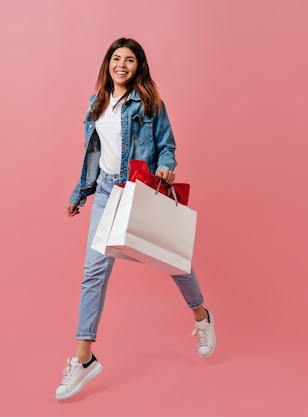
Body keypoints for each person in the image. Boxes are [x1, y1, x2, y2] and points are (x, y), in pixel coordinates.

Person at [55, 38, 216, 401]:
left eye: (129, 59)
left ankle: (202, 316)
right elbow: (93, 154)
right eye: (116, 58)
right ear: (108, 64)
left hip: (140, 186)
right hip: (107, 191)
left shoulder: (149, 103)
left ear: (138, 66)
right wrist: (80, 193)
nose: (122, 65)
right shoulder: (96, 104)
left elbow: (167, 145)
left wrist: (166, 166)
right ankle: (83, 358)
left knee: (171, 257)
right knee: (93, 271)